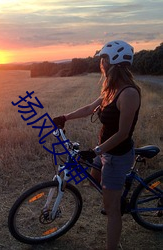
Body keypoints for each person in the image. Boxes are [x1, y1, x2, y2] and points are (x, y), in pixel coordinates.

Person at [53, 40, 141, 250]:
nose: (101, 63)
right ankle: (115, 195)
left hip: (117, 155)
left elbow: (122, 134)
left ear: (113, 63)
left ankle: (114, 220)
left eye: (104, 59)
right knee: (95, 180)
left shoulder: (128, 93)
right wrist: (65, 117)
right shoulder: (112, 89)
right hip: (105, 151)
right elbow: (89, 108)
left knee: (112, 211)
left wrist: (96, 151)